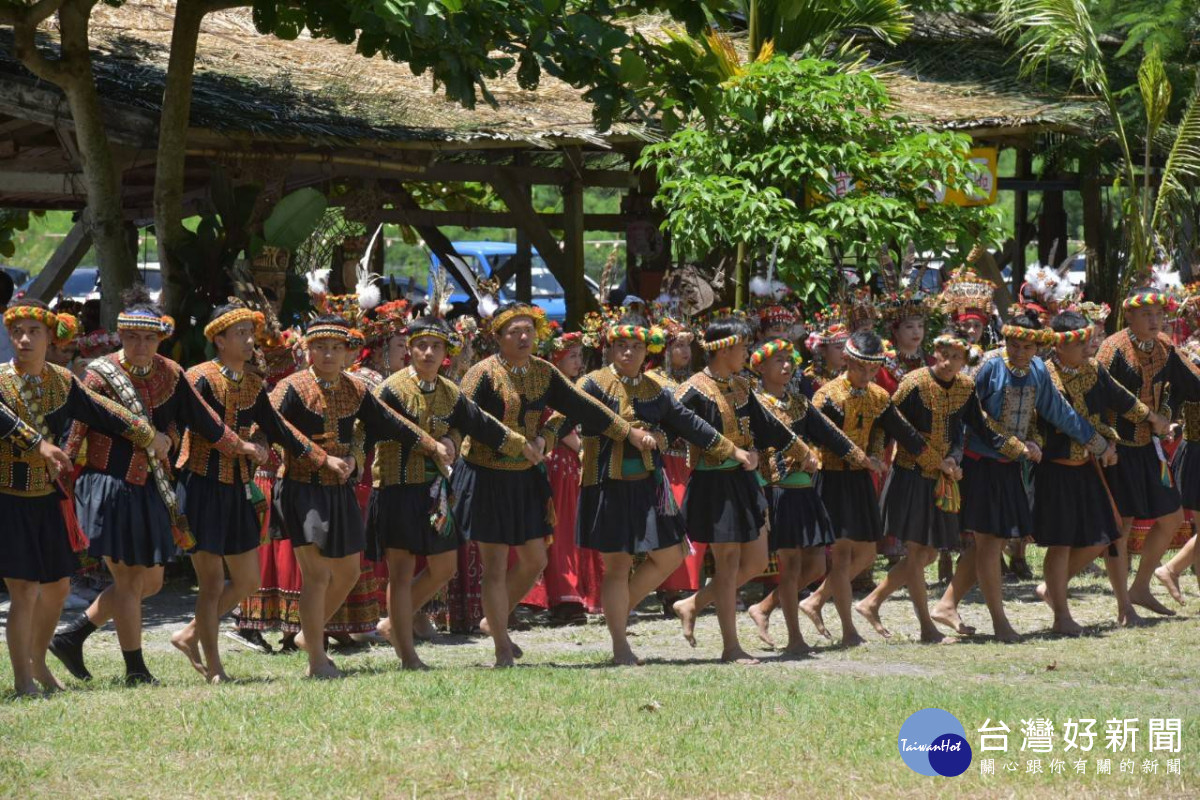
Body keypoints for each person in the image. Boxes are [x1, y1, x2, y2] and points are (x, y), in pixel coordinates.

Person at [51, 291, 263, 686]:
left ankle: (73, 635)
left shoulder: (171, 374)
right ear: (120, 335)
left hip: (151, 486)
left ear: (160, 339)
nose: (140, 346)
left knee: (152, 582)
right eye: (132, 337)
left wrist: (242, 447)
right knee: (131, 580)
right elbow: (75, 430)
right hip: (108, 485)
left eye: (149, 338)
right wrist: (60, 476)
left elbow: (205, 422)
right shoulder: (100, 374)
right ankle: (136, 670)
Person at [453, 301, 657, 667]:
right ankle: (502, 646)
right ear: (498, 337)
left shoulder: (544, 373)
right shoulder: (481, 374)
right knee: (495, 564)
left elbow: (581, 405)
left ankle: (493, 620)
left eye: (528, 330)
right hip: (486, 475)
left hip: (527, 478)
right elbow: (466, 416)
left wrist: (622, 433)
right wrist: (515, 443)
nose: (523, 336)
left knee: (535, 559)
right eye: (514, 331)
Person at [270, 315, 448, 678]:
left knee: (349, 572)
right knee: (317, 575)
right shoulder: (291, 387)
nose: (329, 354)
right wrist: (319, 457)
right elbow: (270, 426)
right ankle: (317, 660)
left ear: (348, 352)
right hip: (302, 488)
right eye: (320, 347)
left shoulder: (355, 389)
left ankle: (310, 634)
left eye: (336, 347)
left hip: (340, 489)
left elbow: (388, 423)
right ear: (308, 350)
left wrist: (429, 446)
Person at [0, 300, 164, 695]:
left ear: (50, 337)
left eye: (33, 331)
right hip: (8, 496)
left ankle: (38, 664)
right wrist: (38, 444)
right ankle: (22, 679)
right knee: (23, 589)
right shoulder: (0, 380)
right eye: (18, 331)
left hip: (48, 497)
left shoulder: (62, 381)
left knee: (57, 587)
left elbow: (104, 410)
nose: (24, 338)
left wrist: (148, 435)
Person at [170, 302, 334, 683]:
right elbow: (205, 424)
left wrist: (320, 457)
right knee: (211, 583)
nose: (249, 340)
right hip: (202, 486)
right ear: (220, 340)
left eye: (250, 332)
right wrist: (240, 446)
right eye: (240, 333)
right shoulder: (200, 378)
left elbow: (275, 426)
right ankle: (214, 668)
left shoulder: (253, 384)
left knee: (246, 580)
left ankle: (191, 635)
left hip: (237, 489)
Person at [577, 316, 753, 665]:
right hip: (606, 486)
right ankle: (620, 647)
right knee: (617, 565)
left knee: (672, 554)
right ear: (610, 348)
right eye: (621, 346)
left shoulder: (655, 390)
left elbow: (689, 425)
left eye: (637, 346)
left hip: (648, 487)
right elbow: (563, 417)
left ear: (648, 351)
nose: (628, 352)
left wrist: (731, 450)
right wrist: (543, 441)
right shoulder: (593, 384)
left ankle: (618, 611)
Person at [369, 315, 538, 669]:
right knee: (400, 571)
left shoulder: (449, 391)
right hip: (396, 488)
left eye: (436, 346)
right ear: (409, 350)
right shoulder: (391, 389)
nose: (428, 352)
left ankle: (393, 627)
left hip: (434, 493)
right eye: (421, 346)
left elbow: (479, 423)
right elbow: (381, 429)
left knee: (444, 568)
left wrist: (521, 445)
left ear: (446, 352)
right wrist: (432, 444)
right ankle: (407, 654)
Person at [936, 310, 1112, 642]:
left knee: (993, 541)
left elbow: (1059, 412)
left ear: (1038, 347)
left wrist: (1097, 443)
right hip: (979, 463)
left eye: (1027, 347)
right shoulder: (988, 366)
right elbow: (968, 414)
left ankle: (947, 603)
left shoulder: (1036, 372)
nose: (1019, 352)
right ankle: (1000, 622)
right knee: (990, 542)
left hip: (1008, 466)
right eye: (1014, 345)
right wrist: (1008, 445)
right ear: (1006, 341)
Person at [856, 329, 1027, 643]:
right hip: (909, 474)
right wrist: (877, 458)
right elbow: (889, 423)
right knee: (918, 550)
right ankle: (926, 628)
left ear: (965, 360)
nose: (949, 363)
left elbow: (975, 426)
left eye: (956, 357)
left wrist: (1013, 447)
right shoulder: (914, 384)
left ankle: (872, 602)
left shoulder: (965, 387)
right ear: (935, 353)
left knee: (927, 553)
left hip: (940, 477)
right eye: (944, 355)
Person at [670, 317, 817, 665]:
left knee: (754, 560)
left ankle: (693, 603)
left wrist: (802, 451)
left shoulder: (740, 386)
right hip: (713, 484)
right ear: (723, 349)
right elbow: (677, 425)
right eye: (742, 347)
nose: (747, 353)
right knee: (728, 562)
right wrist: (726, 450)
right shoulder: (692, 389)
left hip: (744, 481)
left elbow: (769, 427)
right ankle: (730, 647)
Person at [793, 330, 930, 646]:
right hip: (832, 479)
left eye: (873, 369)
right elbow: (821, 438)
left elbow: (903, 432)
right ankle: (848, 631)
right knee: (841, 557)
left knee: (867, 554)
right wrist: (861, 458)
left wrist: (938, 460)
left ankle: (813, 601)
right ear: (846, 360)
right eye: (861, 368)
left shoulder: (878, 396)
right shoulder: (826, 397)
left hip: (860, 482)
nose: (867, 375)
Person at [1034, 311, 1162, 633]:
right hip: (1057, 469)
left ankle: (1053, 589)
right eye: (1078, 342)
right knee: (1061, 543)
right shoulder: (1046, 377)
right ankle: (1061, 616)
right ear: (1059, 346)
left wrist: (1152, 417)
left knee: (1106, 534)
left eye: (1087, 339)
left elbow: (1122, 399)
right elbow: (1061, 422)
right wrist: (1101, 443)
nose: (1087, 346)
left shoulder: (1093, 370)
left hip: (1088, 468)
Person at [745, 338, 869, 655]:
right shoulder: (754, 404)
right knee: (790, 566)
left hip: (804, 491)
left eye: (790, 360)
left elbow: (828, 433)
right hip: (776, 491)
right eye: (779, 361)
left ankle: (763, 608)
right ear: (759, 367)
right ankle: (794, 639)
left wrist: (859, 456)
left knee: (814, 566)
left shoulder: (799, 402)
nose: (786, 366)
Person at [1097, 286, 1200, 617]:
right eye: (1146, 314)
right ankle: (1123, 605)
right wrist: (1105, 441)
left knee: (1171, 517)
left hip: (1148, 447)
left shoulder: (1165, 347)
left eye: (1159, 314)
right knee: (1121, 526)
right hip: (1118, 447)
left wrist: (1167, 414)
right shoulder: (1111, 350)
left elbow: (1186, 386)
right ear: (1128, 316)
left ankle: (1140, 588)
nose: (1155, 320)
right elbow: (1100, 397)